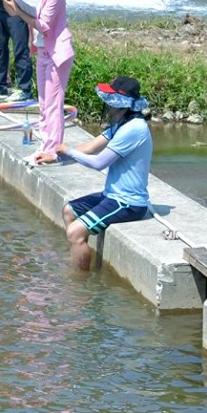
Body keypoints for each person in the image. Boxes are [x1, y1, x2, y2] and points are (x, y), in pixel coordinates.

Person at [52, 77, 155, 271]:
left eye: (111, 101)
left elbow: (99, 162)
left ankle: (80, 283)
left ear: (122, 103)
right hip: (112, 195)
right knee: (69, 211)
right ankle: (79, 255)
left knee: (74, 232)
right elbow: (90, 148)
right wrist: (55, 158)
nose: (108, 106)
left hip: (128, 203)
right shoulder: (122, 123)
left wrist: (68, 151)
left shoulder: (134, 128)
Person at [4, 0, 73, 160]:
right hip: (42, 50)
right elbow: (13, 12)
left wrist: (18, 10)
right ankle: (45, 145)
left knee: (53, 102)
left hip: (57, 52)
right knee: (43, 101)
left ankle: (52, 150)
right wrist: (8, 0)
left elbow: (44, 25)